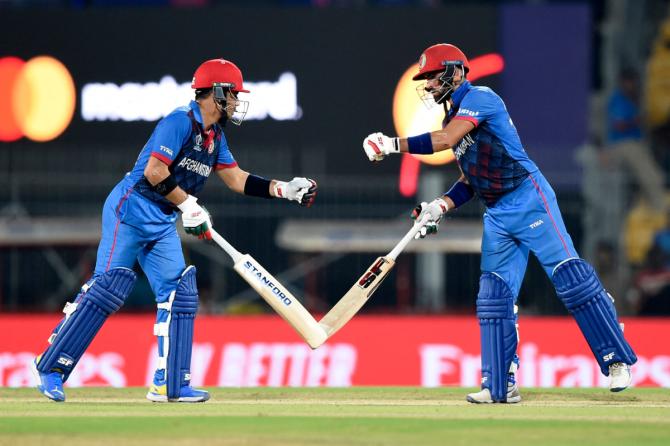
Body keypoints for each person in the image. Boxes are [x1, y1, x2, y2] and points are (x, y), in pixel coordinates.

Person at [362, 44, 637, 403]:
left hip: (530, 199)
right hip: (497, 212)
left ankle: (616, 359)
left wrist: (392, 144)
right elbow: (471, 180)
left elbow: (444, 141)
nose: (428, 86)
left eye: (431, 77)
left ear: (455, 72)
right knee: (494, 297)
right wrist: (441, 205)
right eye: (425, 80)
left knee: (571, 280)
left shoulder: (482, 98)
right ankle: (500, 383)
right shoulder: (452, 119)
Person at [32, 58, 318, 403]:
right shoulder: (179, 122)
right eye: (234, 94)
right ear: (216, 93)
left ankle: (170, 384)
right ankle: (50, 367)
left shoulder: (215, 137)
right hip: (130, 208)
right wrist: (189, 205)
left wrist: (283, 189)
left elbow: (236, 178)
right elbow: (154, 171)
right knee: (108, 288)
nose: (238, 102)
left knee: (179, 294)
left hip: (164, 217)